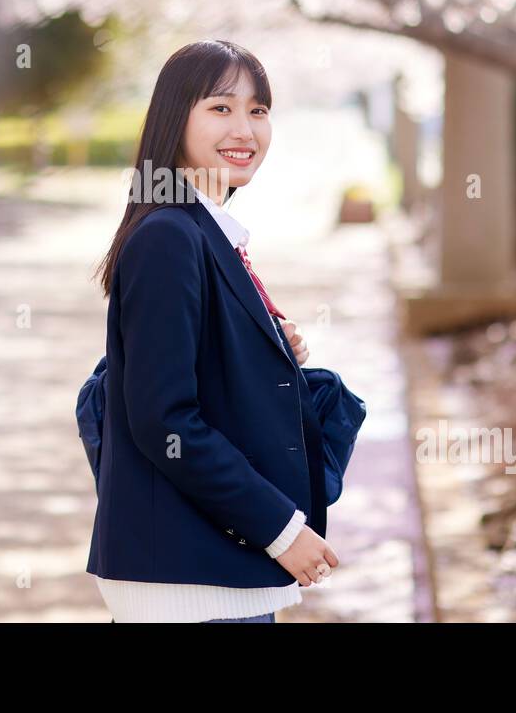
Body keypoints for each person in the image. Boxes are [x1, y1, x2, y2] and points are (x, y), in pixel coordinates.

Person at [86, 39, 339, 623]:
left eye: (258, 110)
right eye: (221, 108)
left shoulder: (203, 229)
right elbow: (164, 417)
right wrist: (282, 531)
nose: (245, 129)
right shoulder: (169, 236)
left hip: (208, 570)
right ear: (176, 118)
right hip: (190, 580)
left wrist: (272, 349)